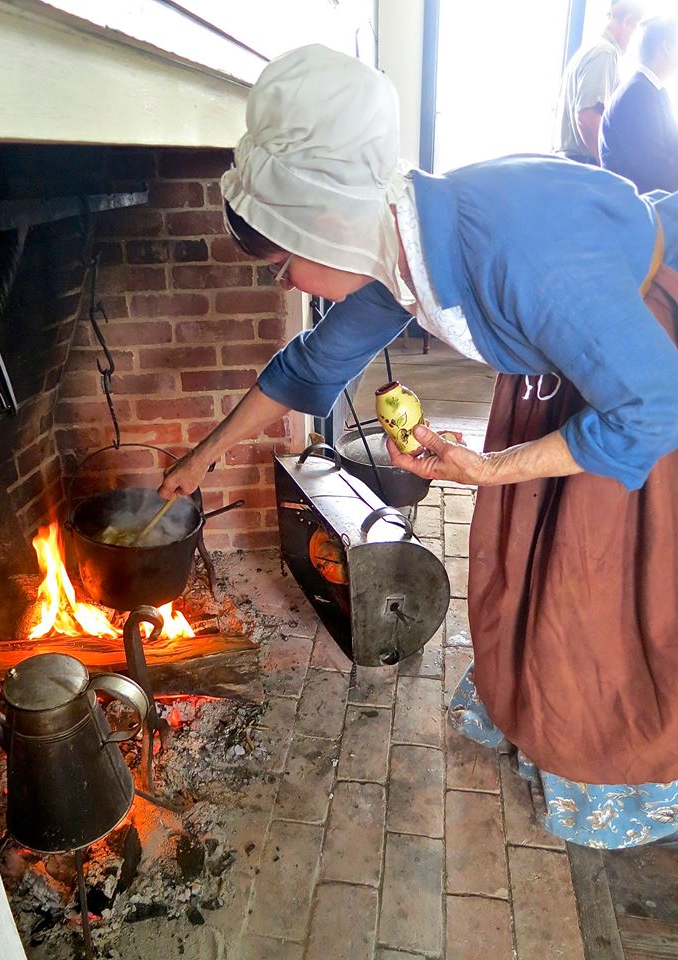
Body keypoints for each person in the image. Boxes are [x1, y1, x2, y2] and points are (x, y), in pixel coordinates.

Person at [159, 44, 678, 849]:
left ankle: (615, 767)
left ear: (320, 221)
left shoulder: (510, 252)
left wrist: (493, 467)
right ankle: (539, 715)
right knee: (538, 558)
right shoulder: (393, 247)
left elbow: (653, 407)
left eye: (284, 260)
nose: (285, 283)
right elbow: (309, 366)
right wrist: (202, 458)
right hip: (577, 361)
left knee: (605, 579)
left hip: (647, 356)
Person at [554, 1, 644, 164]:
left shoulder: (590, 49)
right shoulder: (605, 52)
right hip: (584, 165)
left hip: (571, 163)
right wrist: (610, 169)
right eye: (637, 29)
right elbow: (587, 117)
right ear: (628, 22)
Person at [600, 16, 678, 193]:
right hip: (639, 210)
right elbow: (653, 168)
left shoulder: (653, 91)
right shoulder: (637, 95)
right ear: (667, 47)